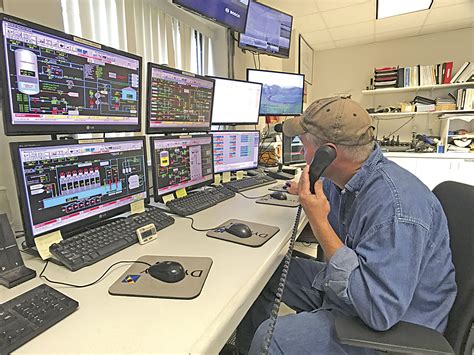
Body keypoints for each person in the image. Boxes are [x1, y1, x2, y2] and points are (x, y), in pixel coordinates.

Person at [235, 96, 457, 354]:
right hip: (360, 289)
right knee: (264, 277)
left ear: (326, 153)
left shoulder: (395, 208)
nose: (302, 152)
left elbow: (379, 312)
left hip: (394, 325)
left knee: (270, 337)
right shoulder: (344, 180)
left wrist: (317, 219)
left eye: (303, 145)